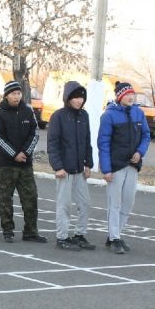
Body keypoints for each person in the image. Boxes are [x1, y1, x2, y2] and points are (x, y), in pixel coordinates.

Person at [98, 82, 150, 254]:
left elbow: (146, 135)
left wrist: (140, 152)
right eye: (127, 94)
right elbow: (103, 143)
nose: (130, 97)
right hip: (116, 165)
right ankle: (114, 238)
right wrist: (106, 170)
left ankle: (116, 234)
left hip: (132, 165)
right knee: (115, 203)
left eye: (132, 94)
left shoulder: (138, 113)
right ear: (120, 96)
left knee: (128, 202)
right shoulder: (109, 115)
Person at [0, 79, 46, 243]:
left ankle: (30, 231)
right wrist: (14, 154)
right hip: (5, 164)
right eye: (13, 94)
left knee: (30, 197)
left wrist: (25, 152)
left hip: (25, 164)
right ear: (6, 96)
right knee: (5, 198)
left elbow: (34, 133)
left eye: (18, 93)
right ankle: (8, 230)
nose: (17, 97)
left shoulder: (28, 110)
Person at [47, 81, 95, 251]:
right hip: (64, 170)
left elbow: (87, 141)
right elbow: (52, 144)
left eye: (81, 97)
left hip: (79, 170)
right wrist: (57, 167)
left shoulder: (84, 116)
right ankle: (62, 238)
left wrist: (88, 164)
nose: (79, 100)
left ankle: (79, 235)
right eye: (75, 97)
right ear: (67, 98)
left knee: (85, 203)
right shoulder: (58, 116)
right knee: (64, 205)